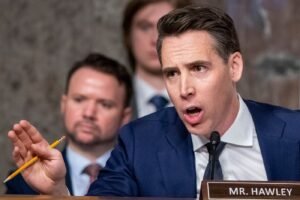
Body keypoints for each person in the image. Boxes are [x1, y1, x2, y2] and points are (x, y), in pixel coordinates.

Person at [7, 5, 300, 198]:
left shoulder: (294, 133)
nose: (184, 88)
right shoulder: (139, 143)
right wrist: (59, 192)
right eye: (172, 73)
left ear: (234, 66)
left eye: (198, 68)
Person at [5, 53, 133, 196]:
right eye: (79, 100)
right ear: (63, 105)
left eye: (105, 104)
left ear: (125, 117)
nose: (89, 113)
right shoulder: (24, 183)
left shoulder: (140, 180)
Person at [122, 0, 191, 118]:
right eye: (145, 27)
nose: (155, 39)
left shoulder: (209, 101)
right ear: (128, 35)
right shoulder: (113, 100)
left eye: (167, 28)